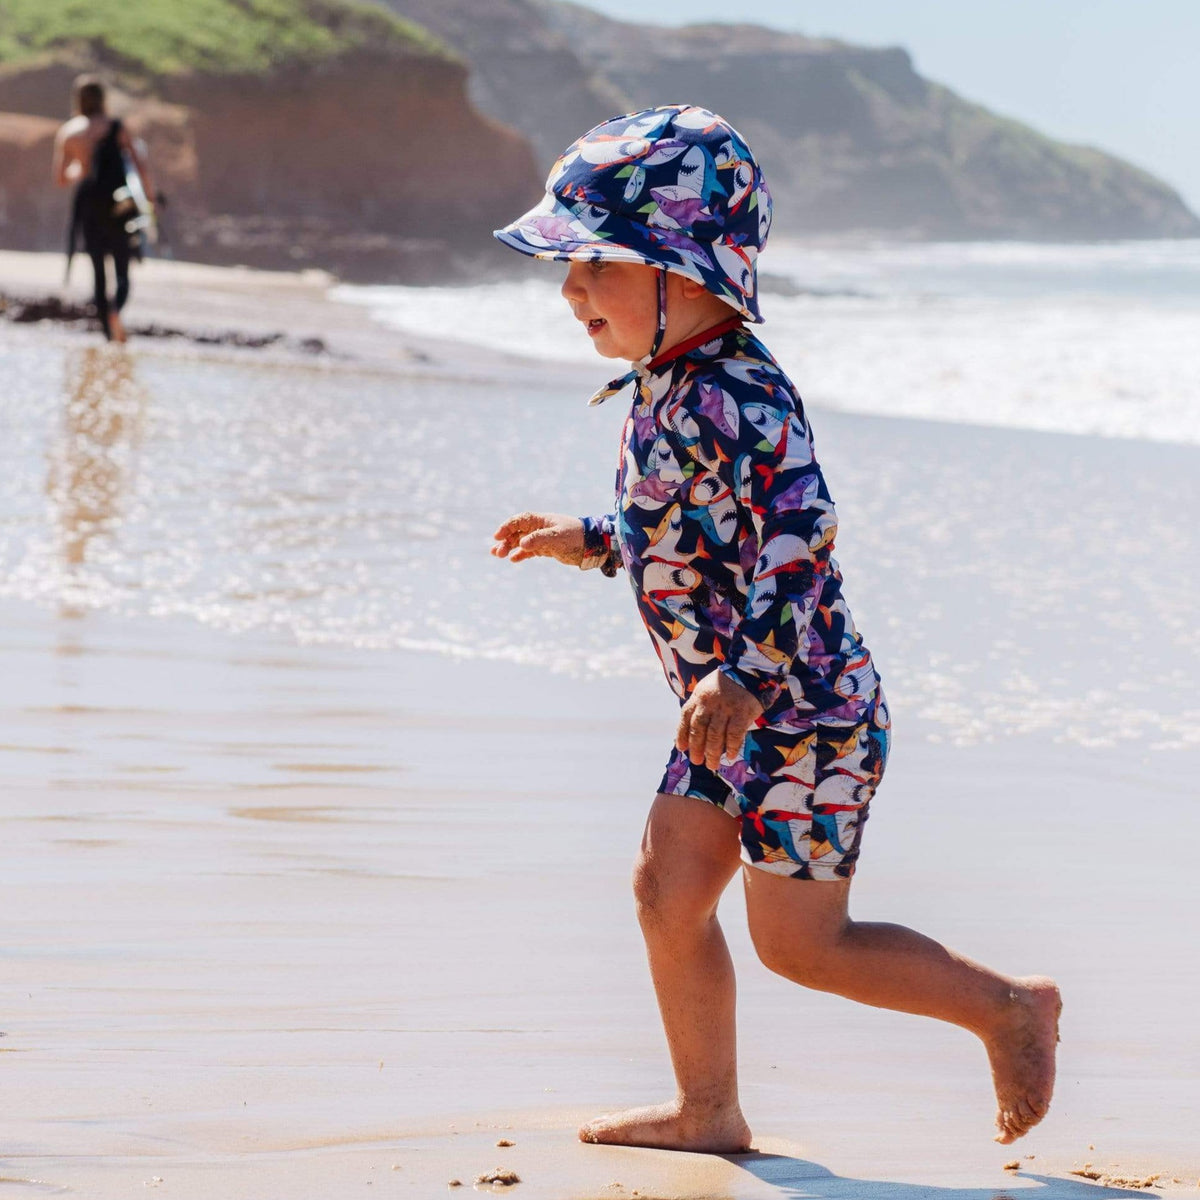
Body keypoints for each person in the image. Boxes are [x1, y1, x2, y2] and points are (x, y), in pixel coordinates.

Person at [490, 105, 1061, 1154]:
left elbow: (801, 533)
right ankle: (710, 1109)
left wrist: (746, 675)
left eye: (597, 264)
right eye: (565, 267)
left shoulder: (743, 392)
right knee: (665, 889)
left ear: (685, 268)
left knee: (803, 947)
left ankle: (1008, 1009)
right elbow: (691, 528)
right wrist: (598, 537)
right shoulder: (662, 384)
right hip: (727, 712)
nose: (569, 288)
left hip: (803, 714)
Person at [52, 75, 156, 344]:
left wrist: (84, 170)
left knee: (98, 270)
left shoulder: (69, 132)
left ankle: (108, 335)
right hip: (118, 203)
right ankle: (115, 312)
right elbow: (140, 166)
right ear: (103, 98)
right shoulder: (117, 127)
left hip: (88, 202)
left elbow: (62, 178)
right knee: (123, 267)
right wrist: (151, 200)